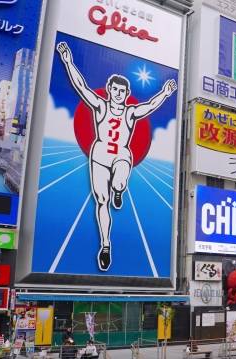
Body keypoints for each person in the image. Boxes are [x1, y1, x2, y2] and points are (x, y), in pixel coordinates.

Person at [56, 41, 177, 271]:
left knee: (119, 181)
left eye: (123, 91)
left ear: (127, 93)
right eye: (115, 90)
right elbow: (81, 86)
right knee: (102, 201)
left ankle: (119, 190)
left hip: (121, 154)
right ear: (110, 90)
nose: (119, 94)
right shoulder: (100, 107)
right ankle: (105, 245)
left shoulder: (131, 112)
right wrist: (67, 60)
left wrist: (166, 93)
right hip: (100, 154)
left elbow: (150, 106)